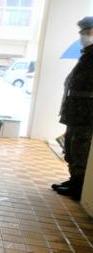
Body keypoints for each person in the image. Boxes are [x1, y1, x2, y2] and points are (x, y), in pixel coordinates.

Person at [52, 16, 93, 200]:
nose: (84, 36)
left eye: (88, 32)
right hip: (76, 112)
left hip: (86, 114)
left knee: (80, 148)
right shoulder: (86, 55)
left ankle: (79, 186)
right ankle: (73, 179)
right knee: (70, 146)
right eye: (83, 32)